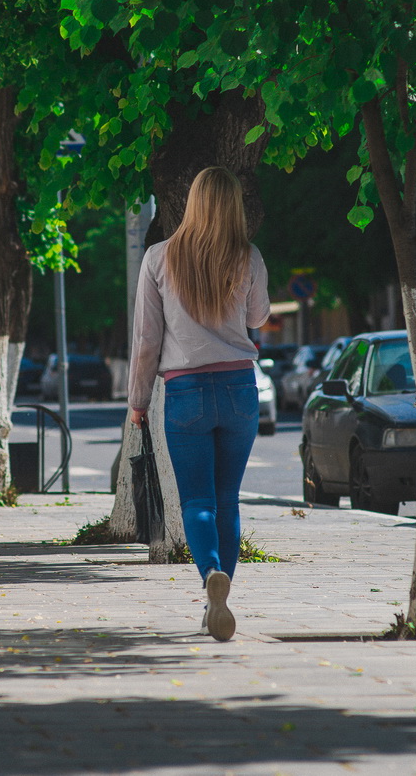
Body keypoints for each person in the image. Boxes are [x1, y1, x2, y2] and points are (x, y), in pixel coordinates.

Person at [128, 167, 270, 642]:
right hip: (239, 389)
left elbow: (147, 341)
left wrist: (138, 401)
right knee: (227, 498)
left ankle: (210, 574)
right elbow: (258, 317)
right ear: (233, 207)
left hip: (185, 392)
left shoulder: (158, 258)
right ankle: (220, 601)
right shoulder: (248, 257)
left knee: (196, 500)